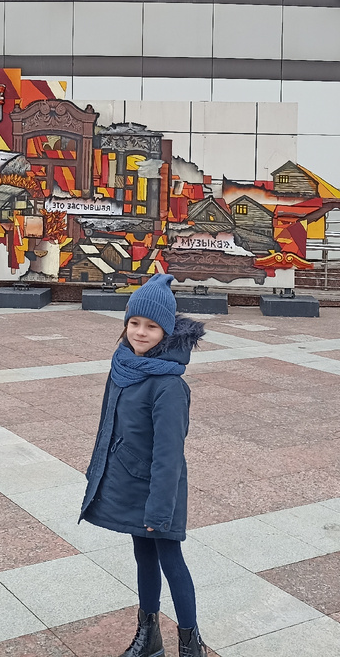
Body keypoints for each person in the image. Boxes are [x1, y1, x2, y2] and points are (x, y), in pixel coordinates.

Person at [79, 273, 208, 657]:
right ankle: (149, 636)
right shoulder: (122, 365)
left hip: (159, 490)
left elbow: (169, 454)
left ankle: (190, 645)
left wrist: (159, 509)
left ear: (165, 331)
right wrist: (97, 473)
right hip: (130, 481)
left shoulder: (169, 386)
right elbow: (107, 426)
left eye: (151, 326)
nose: (139, 332)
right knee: (143, 555)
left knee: (171, 559)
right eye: (134, 322)